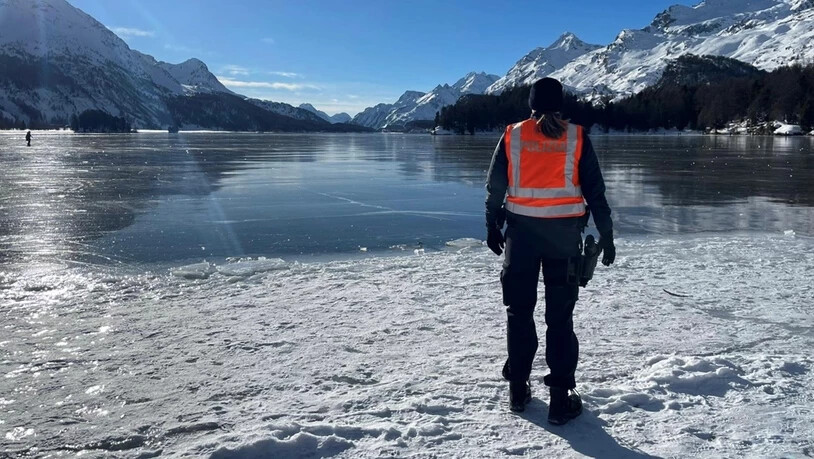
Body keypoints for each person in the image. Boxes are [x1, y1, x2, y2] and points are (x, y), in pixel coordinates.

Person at [484, 77, 615, 423]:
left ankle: (518, 390)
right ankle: (559, 401)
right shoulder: (577, 137)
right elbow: (596, 192)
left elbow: (495, 186)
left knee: (519, 312)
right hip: (563, 238)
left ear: (531, 104)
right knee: (559, 319)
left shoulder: (513, 135)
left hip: (521, 237)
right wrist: (607, 234)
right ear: (560, 104)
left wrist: (491, 224)